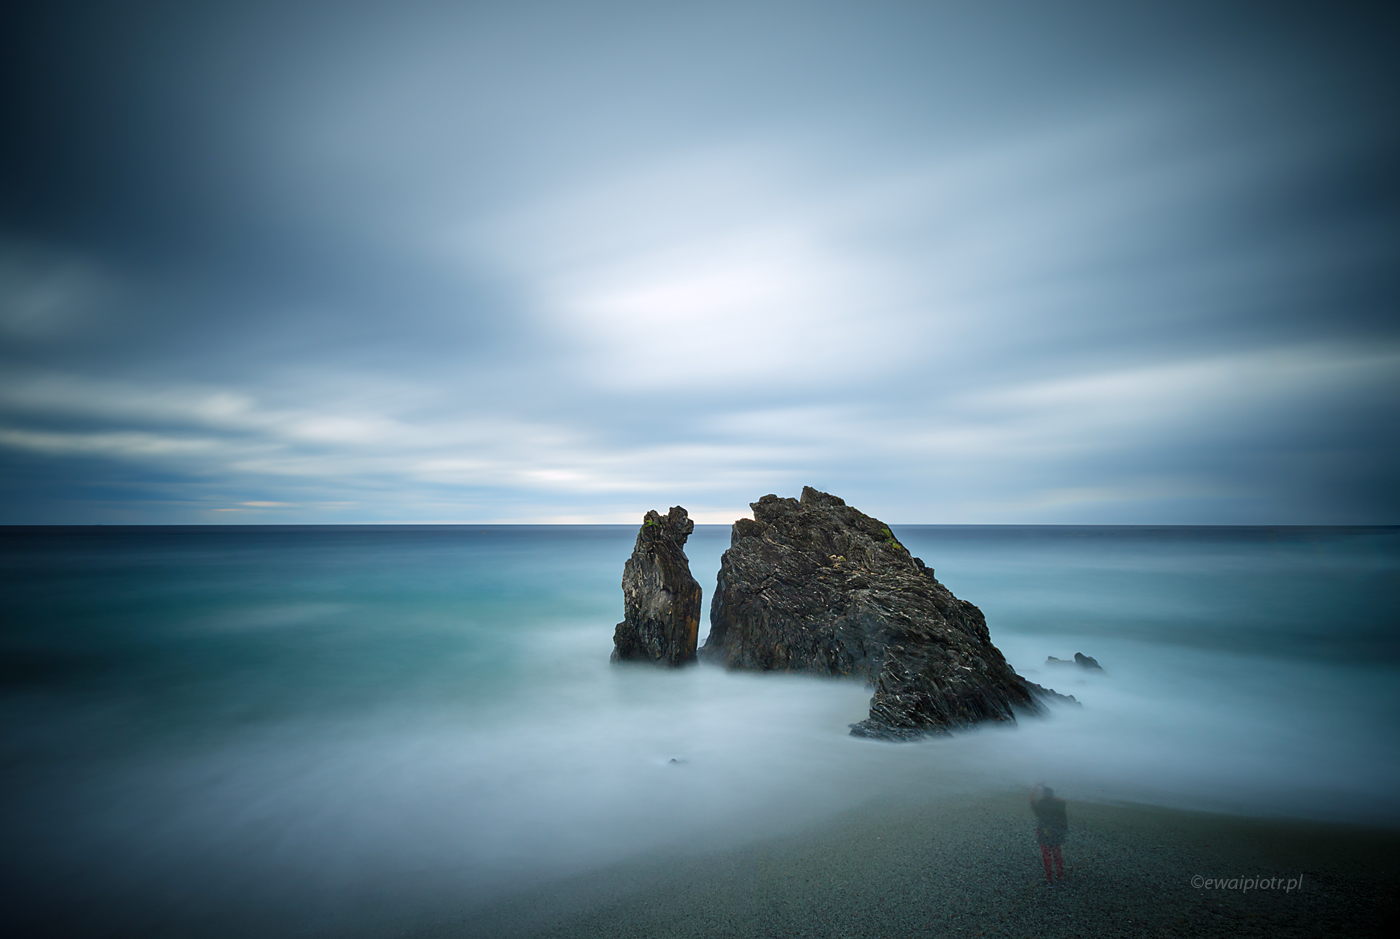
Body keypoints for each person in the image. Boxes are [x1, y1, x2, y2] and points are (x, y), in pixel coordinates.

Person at [1029, 784, 1068, 883]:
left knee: (1046, 855)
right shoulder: (1060, 804)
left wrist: (1033, 791)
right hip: (1056, 832)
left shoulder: (1041, 803)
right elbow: (1063, 818)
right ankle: (1060, 874)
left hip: (1043, 831)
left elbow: (1033, 805)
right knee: (1057, 854)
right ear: (1053, 794)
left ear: (1043, 795)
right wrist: (1063, 831)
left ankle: (1049, 877)